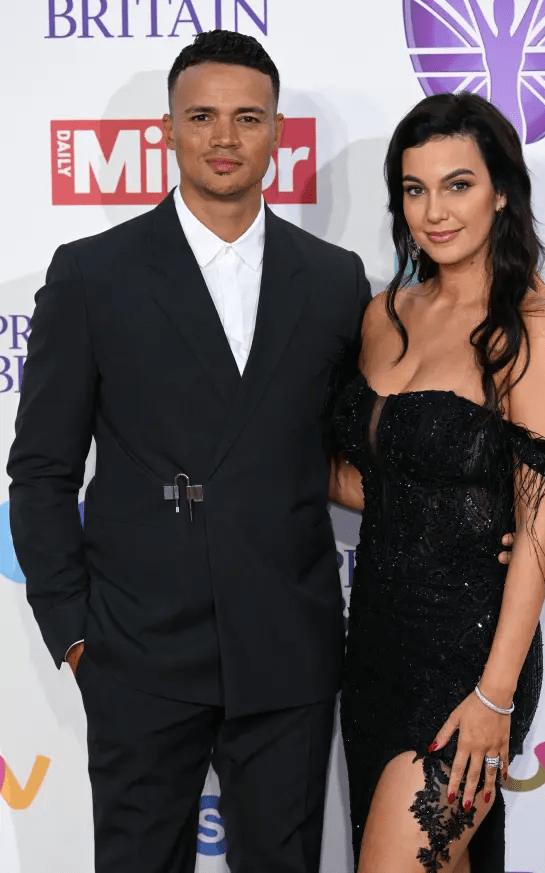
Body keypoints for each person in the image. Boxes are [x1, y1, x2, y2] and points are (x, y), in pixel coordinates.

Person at [7, 30, 372, 873]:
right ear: (166, 129)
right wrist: (74, 633)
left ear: (278, 133)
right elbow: (41, 472)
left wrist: (466, 517)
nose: (223, 137)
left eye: (247, 118)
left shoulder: (332, 279)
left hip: (289, 648)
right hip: (139, 650)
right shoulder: (95, 275)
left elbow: (356, 456)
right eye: (201, 116)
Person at [330, 91, 545, 873]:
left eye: (457, 184)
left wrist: (494, 698)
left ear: (501, 191)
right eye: (415, 189)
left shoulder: (533, 328)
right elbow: (374, 477)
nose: (434, 210)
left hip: (469, 661)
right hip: (375, 647)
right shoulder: (385, 312)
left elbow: (538, 527)